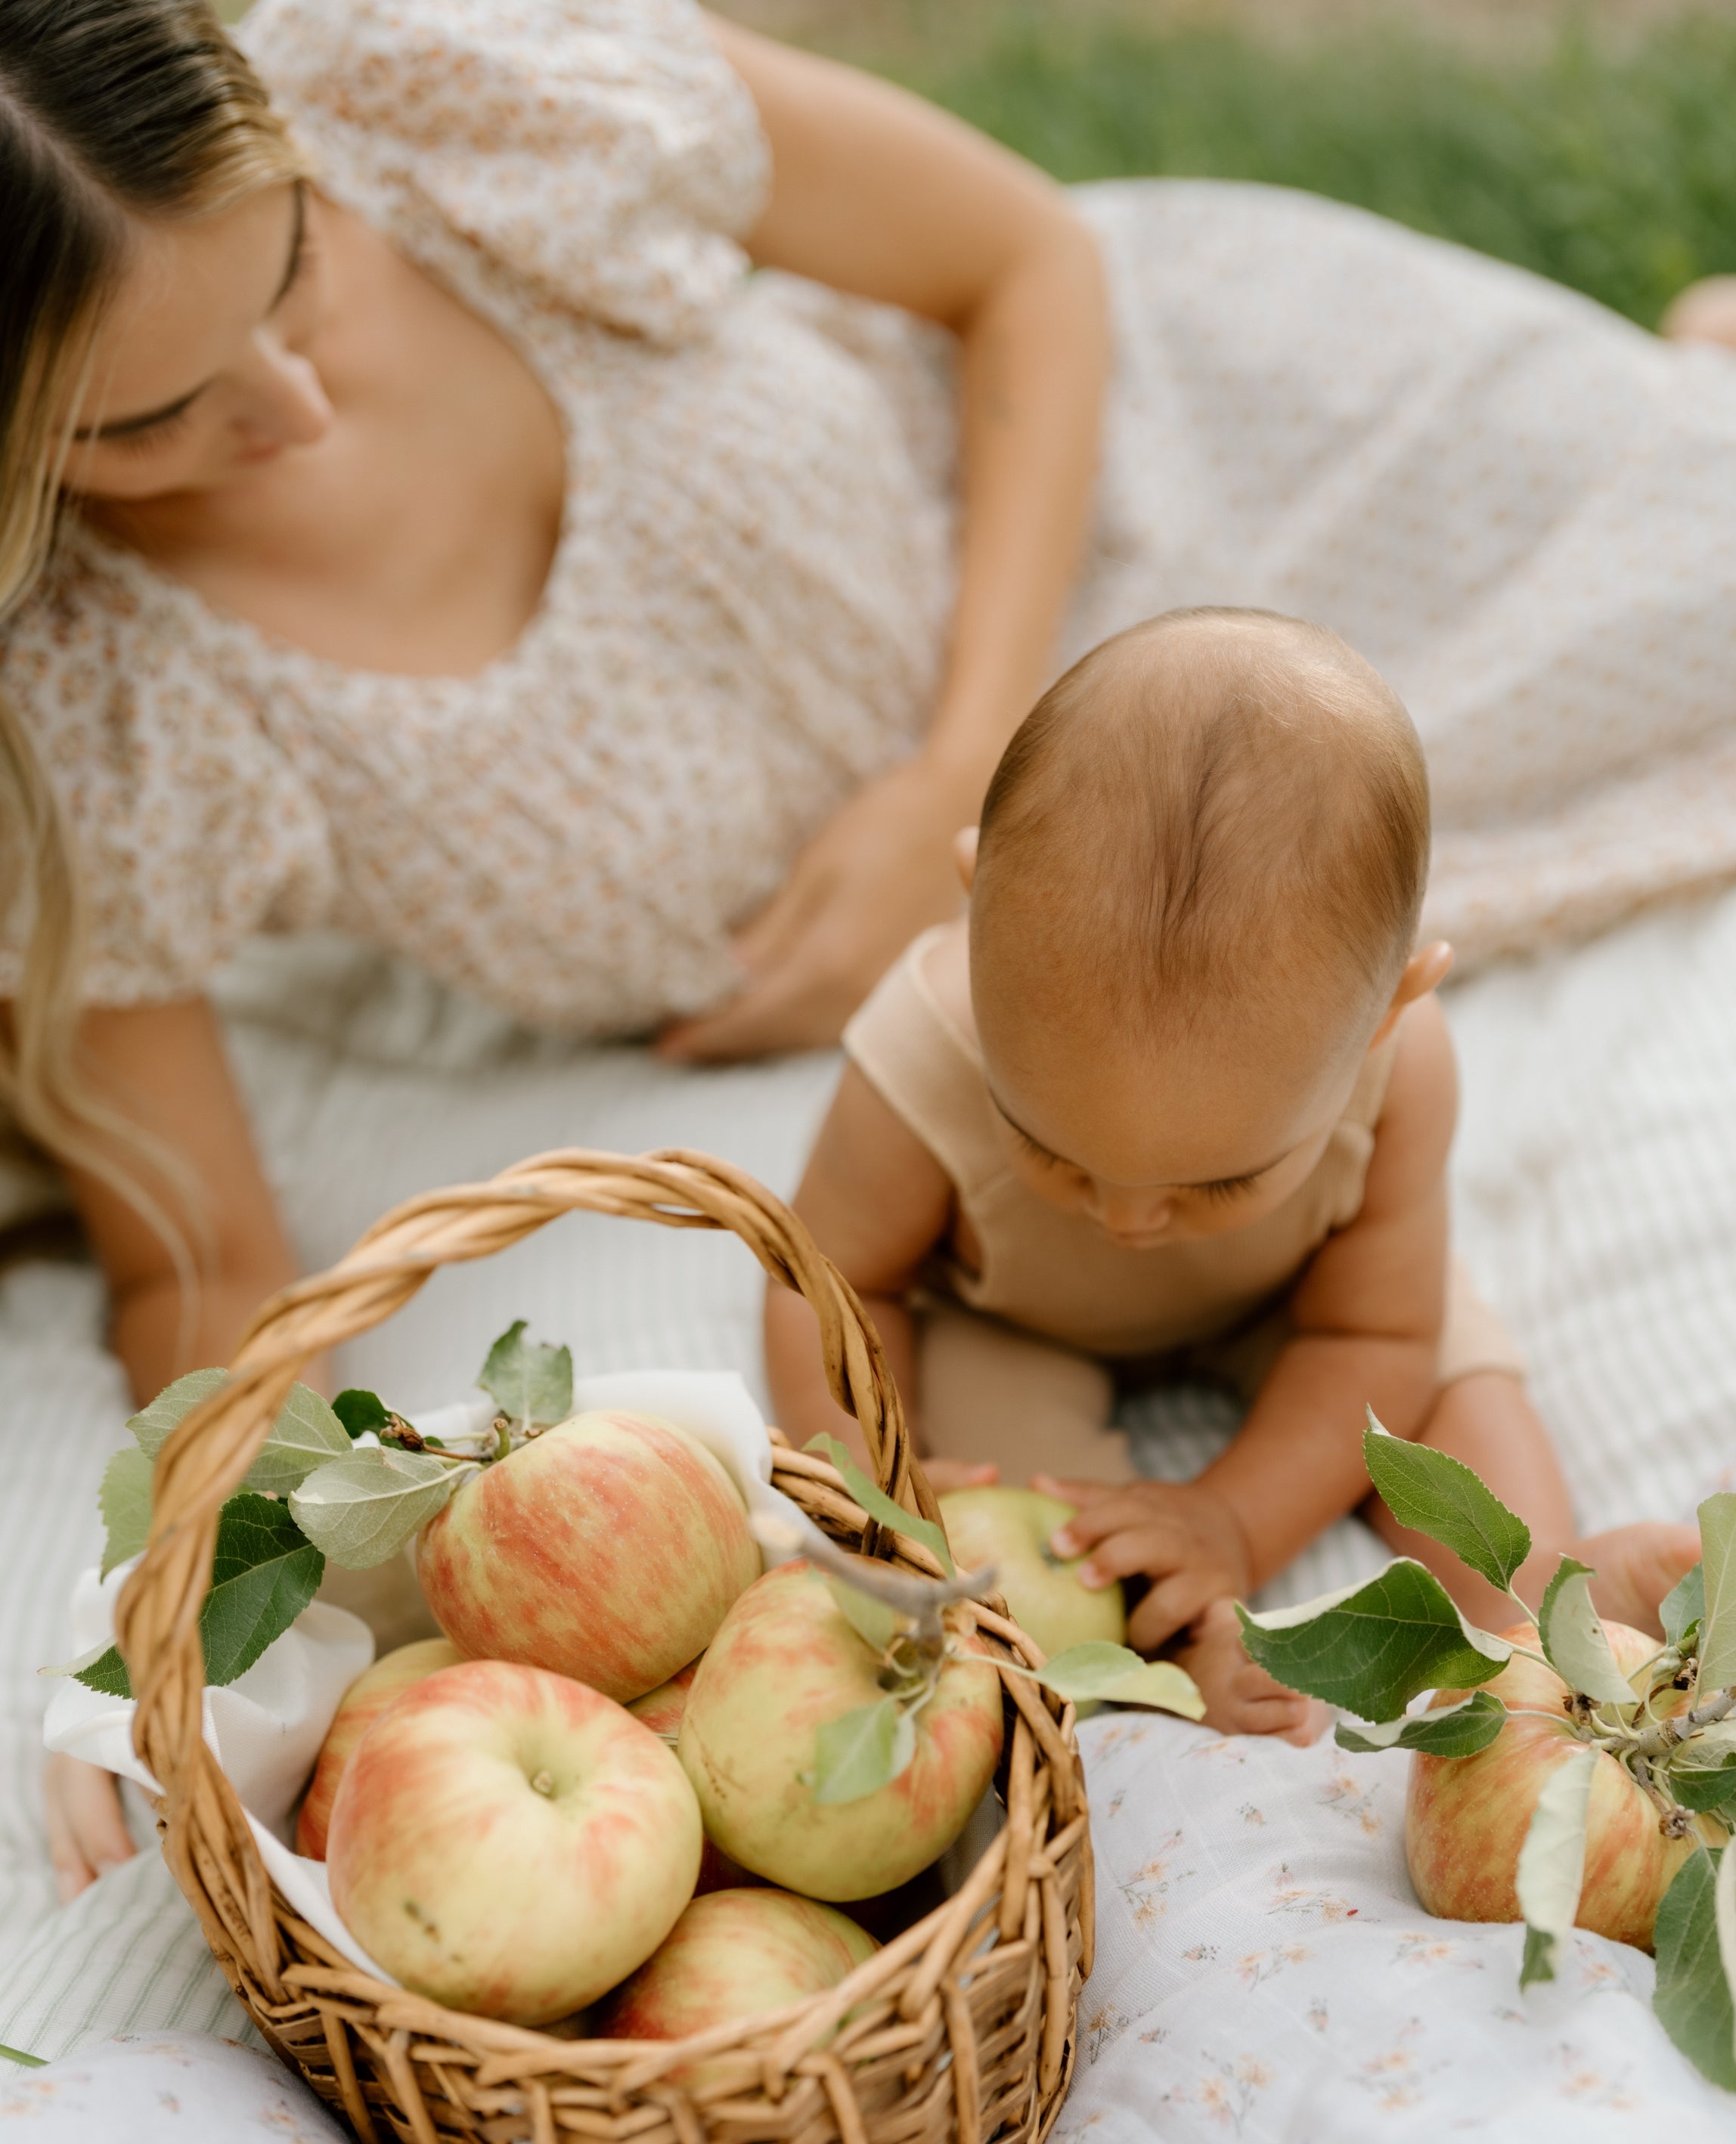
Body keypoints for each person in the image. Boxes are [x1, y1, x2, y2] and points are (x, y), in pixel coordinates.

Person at [8, 0, 1733, 1873]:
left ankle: (1568, 1622)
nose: (294, 410)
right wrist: (190, 1579)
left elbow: (1019, 255)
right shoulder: (95, 706)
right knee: (1002, 1521)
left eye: (295, 260)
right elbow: (215, 1263)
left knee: (1668, 546)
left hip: (1104, 546)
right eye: (151, 416)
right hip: (1056, 913)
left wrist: (940, 792)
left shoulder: (446, 85)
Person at [766, 612, 1700, 1739]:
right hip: (1013, 1316)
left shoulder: (1406, 1074)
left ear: (1384, 1017)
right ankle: (1159, 1658)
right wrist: (878, 1488)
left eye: (1217, 1182)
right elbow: (830, 1285)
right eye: (1049, 1147)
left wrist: (1232, 1520)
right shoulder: (916, 1056)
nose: (1128, 1218)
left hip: (1302, 1303)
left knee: (1451, 1396)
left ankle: (1542, 1609)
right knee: (1012, 1531)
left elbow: (1378, 1337)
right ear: (969, 911)